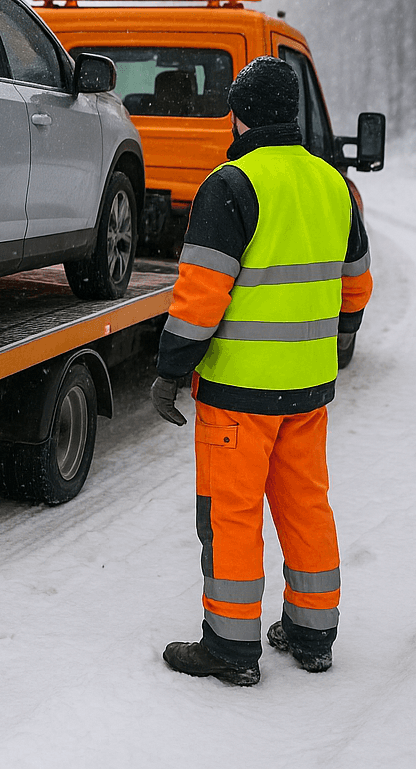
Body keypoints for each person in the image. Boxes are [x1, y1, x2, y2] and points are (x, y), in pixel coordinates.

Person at [151, 55, 373, 686]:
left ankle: (229, 647)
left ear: (241, 114)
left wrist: (171, 368)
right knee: (306, 507)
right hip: (306, 390)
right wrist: (336, 342)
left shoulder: (231, 185)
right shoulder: (333, 184)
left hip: (237, 393)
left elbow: (201, 295)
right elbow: (355, 286)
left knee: (232, 513)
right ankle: (312, 634)